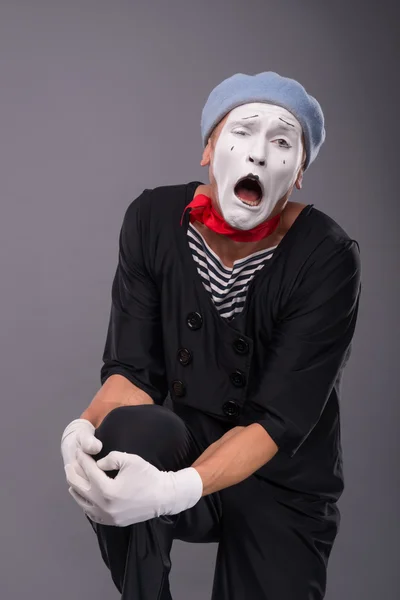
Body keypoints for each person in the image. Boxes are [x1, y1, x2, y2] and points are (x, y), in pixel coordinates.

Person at [61, 71, 362, 600]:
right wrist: (82, 431)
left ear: (298, 174)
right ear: (208, 148)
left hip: (282, 479)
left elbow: (278, 422)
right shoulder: (152, 220)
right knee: (125, 434)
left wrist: (172, 490)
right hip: (188, 447)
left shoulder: (329, 256)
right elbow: (131, 375)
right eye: (243, 132)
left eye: (282, 142)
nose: (259, 155)